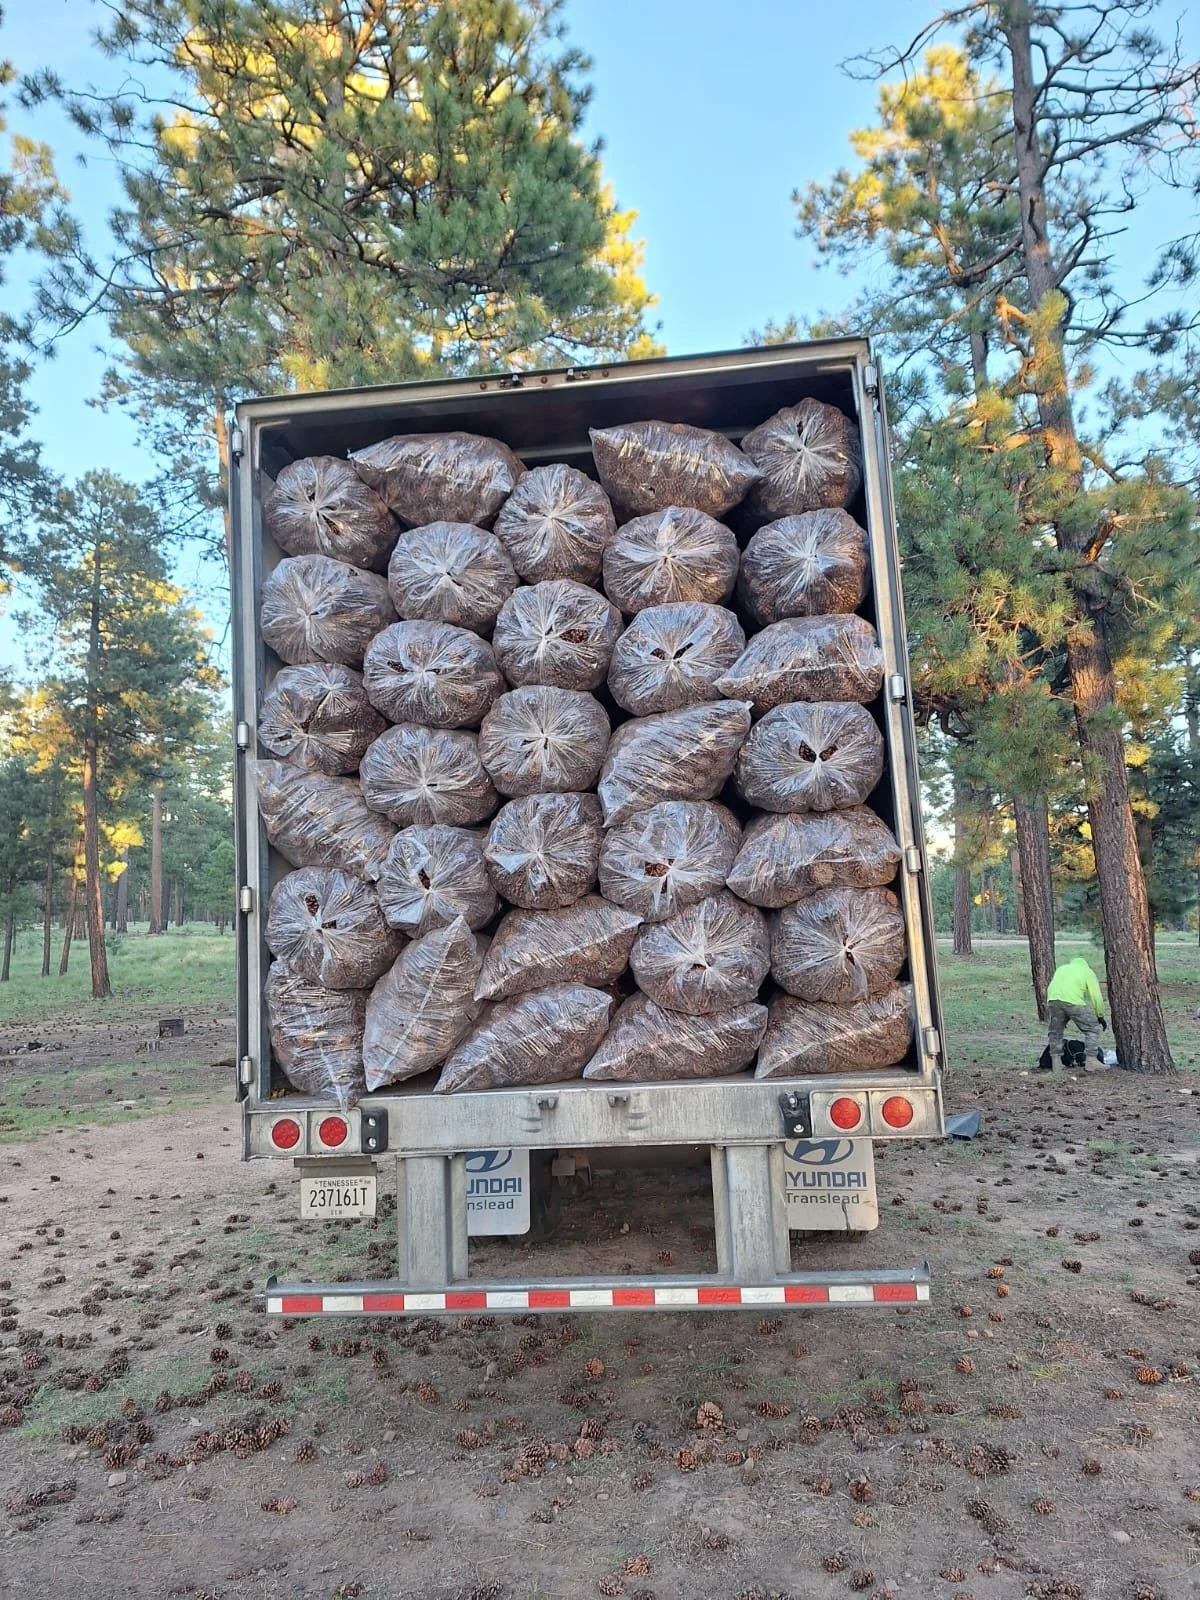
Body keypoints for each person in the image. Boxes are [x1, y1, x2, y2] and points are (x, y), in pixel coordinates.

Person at [1042, 954, 1107, 1070]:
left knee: (1055, 1032)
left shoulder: (1062, 969)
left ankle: (1056, 1063)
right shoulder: (1087, 971)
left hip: (1053, 1000)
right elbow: (1096, 996)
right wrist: (1100, 1015)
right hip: (1073, 1002)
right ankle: (1091, 1060)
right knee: (1092, 1028)